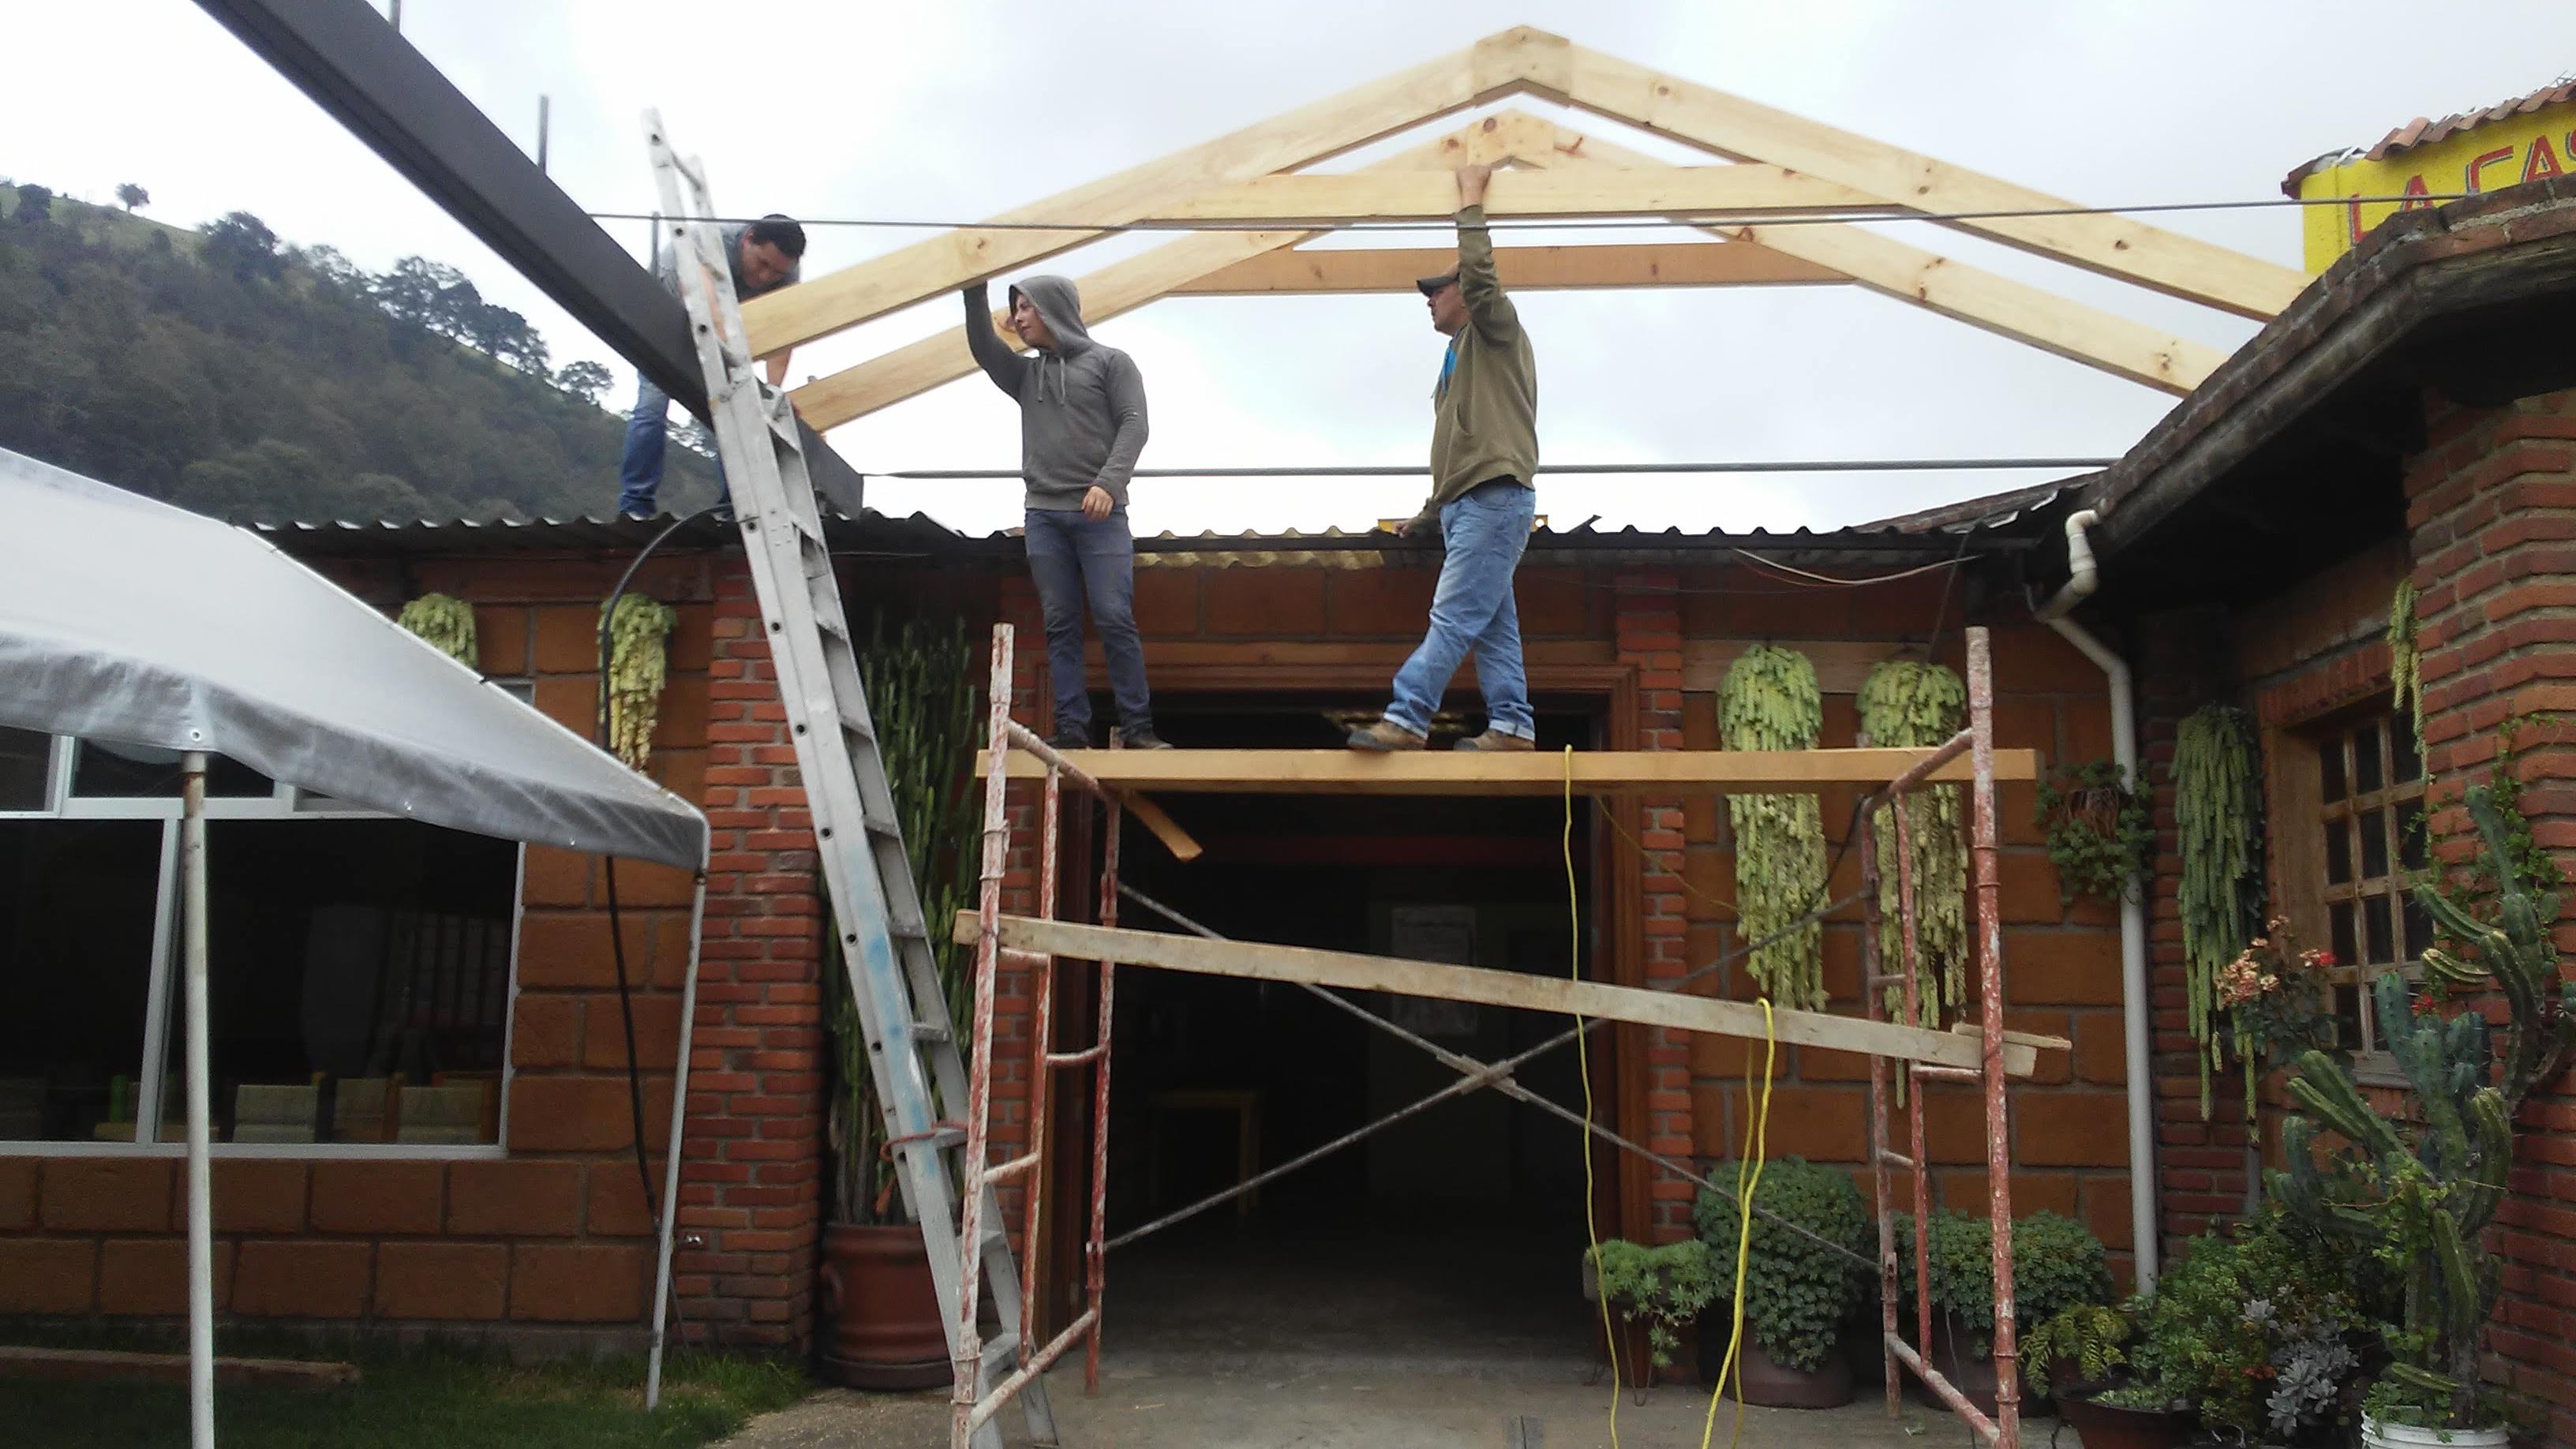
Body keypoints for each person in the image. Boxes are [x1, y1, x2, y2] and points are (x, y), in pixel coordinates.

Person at [1348, 163, 1539, 754]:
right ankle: (1512, 726)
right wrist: (1430, 513)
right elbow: (1458, 453)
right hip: (1468, 504)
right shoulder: (1457, 360)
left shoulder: (1497, 331)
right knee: (1491, 625)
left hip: (1495, 499)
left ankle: (1408, 716)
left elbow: (1483, 276)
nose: (1429, 298)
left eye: (1439, 287)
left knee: (1454, 617)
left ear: (1469, 293)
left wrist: (1470, 201)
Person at [962, 275, 1170, 751]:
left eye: (1025, 308)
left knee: (1114, 615)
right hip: (1044, 517)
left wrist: (1109, 484)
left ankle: (1138, 728)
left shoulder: (1111, 363)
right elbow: (982, 345)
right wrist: (974, 289)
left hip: (1102, 516)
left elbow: (1135, 425)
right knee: (1060, 623)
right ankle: (1073, 728)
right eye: (1014, 308)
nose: (1017, 318)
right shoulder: (1025, 375)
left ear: (1052, 309)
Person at [616, 213, 807, 519]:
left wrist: (772, 395)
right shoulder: (706, 241)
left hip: (723, 329)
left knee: (742, 414)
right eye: (762, 264)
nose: (765, 277)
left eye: (776, 273)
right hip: (669, 316)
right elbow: (711, 316)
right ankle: (636, 503)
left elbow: (781, 333)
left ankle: (732, 508)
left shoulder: (786, 269)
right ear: (748, 240)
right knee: (652, 407)